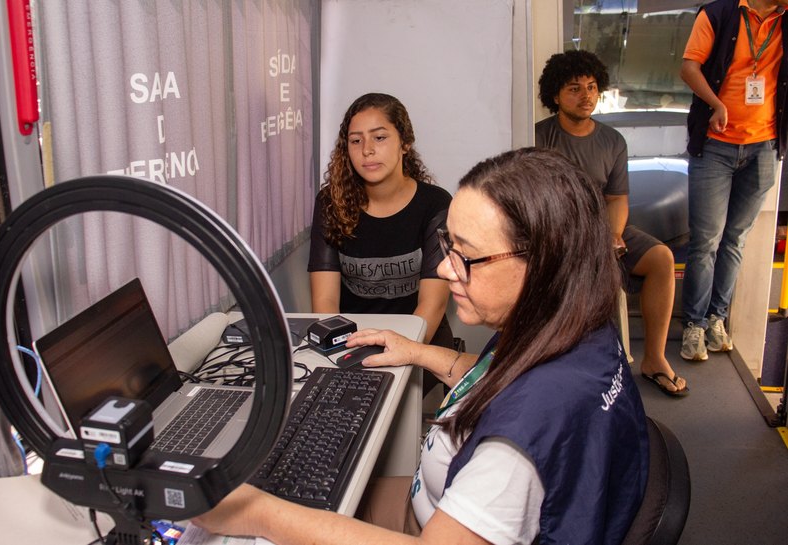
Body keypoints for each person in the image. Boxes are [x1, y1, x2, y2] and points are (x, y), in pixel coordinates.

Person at [193, 148, 649, 545]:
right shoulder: (578, 329)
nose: (447, 269)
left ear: (542, 262)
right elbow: (505, 378)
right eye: (446, 244)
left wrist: (254, 511)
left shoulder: (514, 452)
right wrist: (415, 351)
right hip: (434, 499)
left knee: (251, 515)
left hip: (429, 525)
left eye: (466, 255)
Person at [535, 50, 689, 397]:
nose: (586, 95)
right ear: (555, 96)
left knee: (662, 258)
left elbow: (617, 199)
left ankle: (654, 359)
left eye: (591, 87)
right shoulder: (537, 137)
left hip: (603, 228)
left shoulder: (612, 141)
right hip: (558, 233)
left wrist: (614, 234)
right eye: (574, 88)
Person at [679, 0, 788, 361]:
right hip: (716, 146)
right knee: (706, 241)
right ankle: (693, 326)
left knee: (736, 239)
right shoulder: (718, 14)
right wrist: (715, 104)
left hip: (764, 146)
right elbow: (689, 68)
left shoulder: (783, 20)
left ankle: (716, 318)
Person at [308, 93, 453, 350]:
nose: (367, 150)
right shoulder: (331, 202)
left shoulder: (436, 204)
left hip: (422, 343)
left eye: (380, 137)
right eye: (356, 140)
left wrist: (402, 355)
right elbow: (325, 301)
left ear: (405, 143)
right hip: (353, 343)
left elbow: (433, 305)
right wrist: (343, 351)